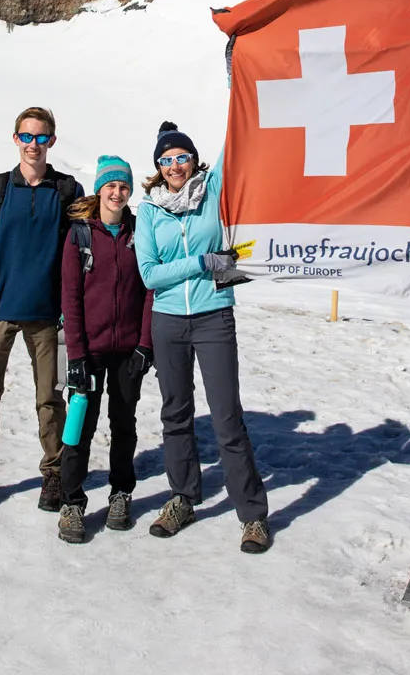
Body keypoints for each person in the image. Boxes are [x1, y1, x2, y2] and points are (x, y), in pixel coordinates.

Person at [135, 122, 270, 553]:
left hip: (215, 317)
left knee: (227, 416)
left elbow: (238, 141)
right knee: (176, 413)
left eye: (182, 157)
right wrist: (200, 261)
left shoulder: (213, 190)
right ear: (158, 167)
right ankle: (184, 498)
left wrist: (238, 77)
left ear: (194, 159)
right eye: (166, 160)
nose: (175, 165)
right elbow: (150, 273)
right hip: (168, 319)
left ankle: (252, 516)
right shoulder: (150, 210)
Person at [0, 107, 83, 513]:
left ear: (52, 142)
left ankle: (53, 472)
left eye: (41, 137)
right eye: (27, 137)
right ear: (16, 139)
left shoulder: (66, 190)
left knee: (50, 398)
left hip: (48, 316)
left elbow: (81, 252)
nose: (34, 145)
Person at [58, 155, 154, 544]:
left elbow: (150, 291)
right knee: (80, 426)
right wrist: (77, 356)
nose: (117, 192)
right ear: (99, 189)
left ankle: (120, 494)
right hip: (91, 351)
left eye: (124, 186)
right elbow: (71, 299)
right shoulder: (80, 235)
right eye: (111, 186)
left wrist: (145, 345)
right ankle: (72, 502)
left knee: (124, 425)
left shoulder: (139, 232)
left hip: (128, 350)